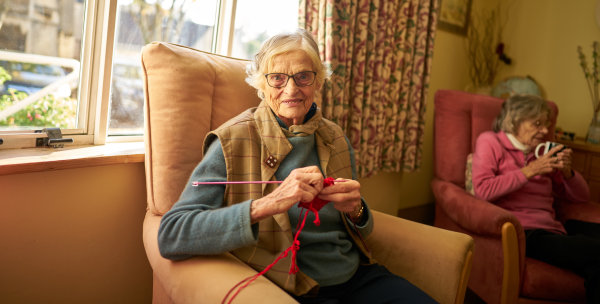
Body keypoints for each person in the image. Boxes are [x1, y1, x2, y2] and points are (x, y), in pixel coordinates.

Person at [158, 29, 435, 303]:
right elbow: (172, 234)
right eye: (277, 78)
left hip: (357, 277)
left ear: (318, 82)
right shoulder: (232, 141)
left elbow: (362, 228)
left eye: (303, 76)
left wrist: (357, 209)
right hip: (291, 286)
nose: (291, 89)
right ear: (261, 85)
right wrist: (268, 204)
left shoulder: (334, 136)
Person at [471, 94, 600, 303]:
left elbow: (581, 197)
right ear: (514, 120)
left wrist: (568, 173)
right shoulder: (490, 141)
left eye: (546, 124)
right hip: (525, 231)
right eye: (537, 123)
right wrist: (530, 171)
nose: (544, 130)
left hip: (555, 229)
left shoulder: (543, 151)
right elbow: (483, 190)